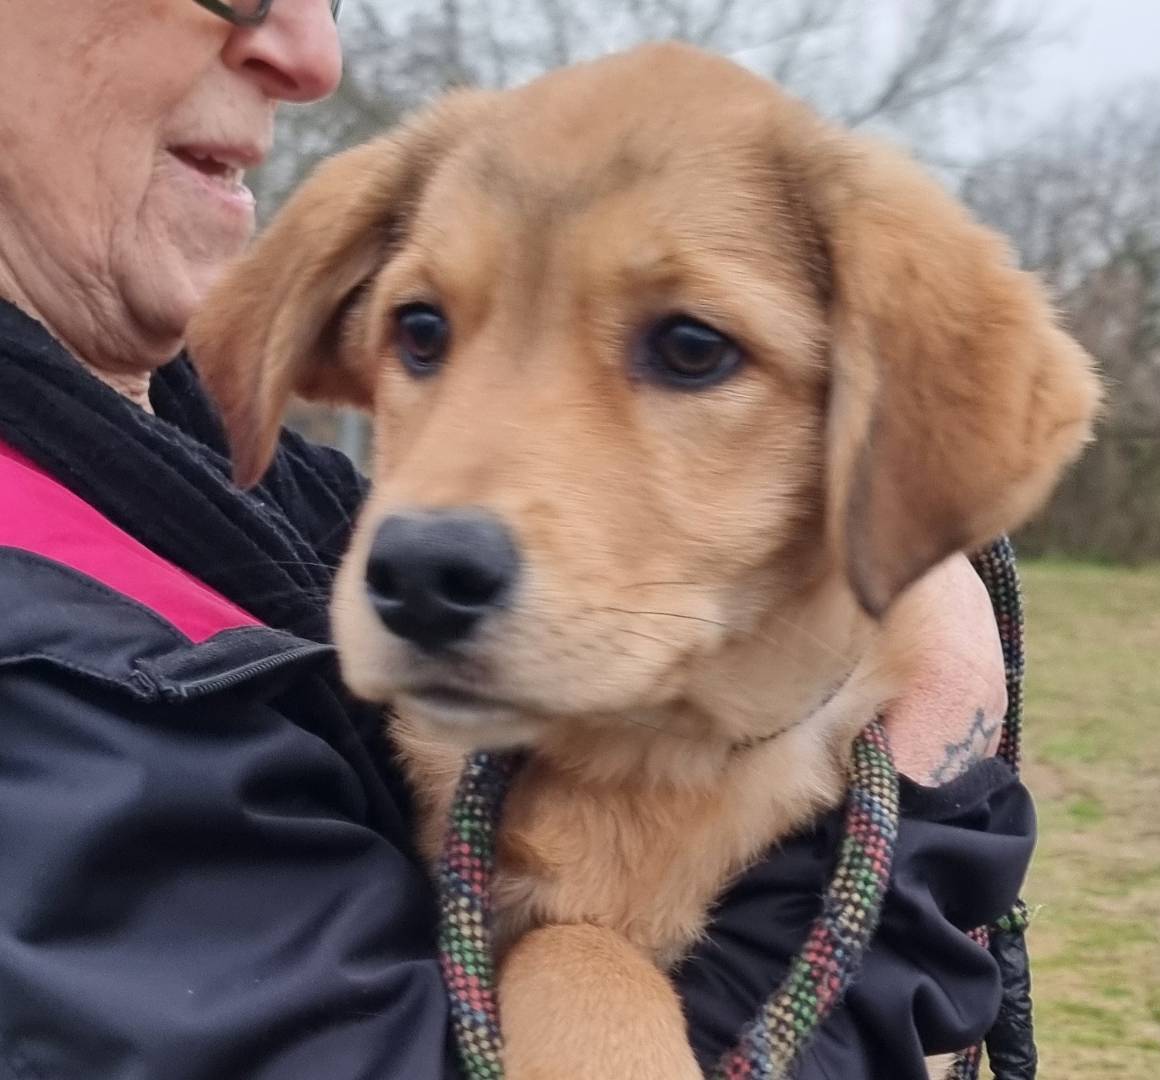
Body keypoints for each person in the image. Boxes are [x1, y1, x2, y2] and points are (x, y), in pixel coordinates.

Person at [0, 3, 1036, 1077]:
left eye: (688, 348)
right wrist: (931, 784)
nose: (312, 52)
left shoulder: (194, 467)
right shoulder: (36, 656)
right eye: (426, 331)